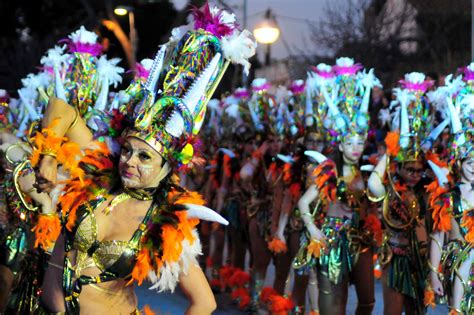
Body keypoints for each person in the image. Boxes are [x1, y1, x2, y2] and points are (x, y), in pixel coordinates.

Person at [28, 4, 256, 314]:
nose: (129, 161)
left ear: (167, 165)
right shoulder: (99, 176)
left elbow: (204, 302)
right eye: (127, 150)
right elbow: (60, 108)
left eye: (145, 156)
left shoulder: (164, 223)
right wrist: (49, 158)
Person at [298, 57, 382, 315]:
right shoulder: (329, 171)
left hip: (360, 238)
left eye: (360, 143)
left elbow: (376, 200)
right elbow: (303, 202)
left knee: (368, 301)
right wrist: (312, 229)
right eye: (350, 143)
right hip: (333, 239)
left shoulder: (366, 171)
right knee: (334, 304)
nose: (356, 148)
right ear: (341, 146)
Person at [368, 72, 435, 315]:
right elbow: (373, 185)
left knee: (417, 312)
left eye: (420, 169)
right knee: (393, 311)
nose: (416, 174)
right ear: (399, 168)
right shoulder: (390, 190)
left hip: (421, 258)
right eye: (410, 169)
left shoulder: (428, 192)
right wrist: (389, 152)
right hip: (395, 258)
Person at [427, 65, 474, 315]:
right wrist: (434, 273)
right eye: (470, 162)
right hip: (457, 264)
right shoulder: (447, 197)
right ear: (459, 162)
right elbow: (438, 237)